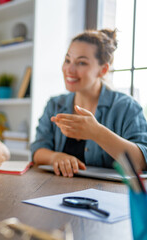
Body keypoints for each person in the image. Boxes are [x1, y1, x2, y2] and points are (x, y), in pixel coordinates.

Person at [31, 29, 147, 177]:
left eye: (81, 63)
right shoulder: (55, 104)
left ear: (103, 70)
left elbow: (142, 161)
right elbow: (38, 150)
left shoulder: (126, 107)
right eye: (67, 60)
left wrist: (97, 132)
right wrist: (55, 157)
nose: (69, 70)